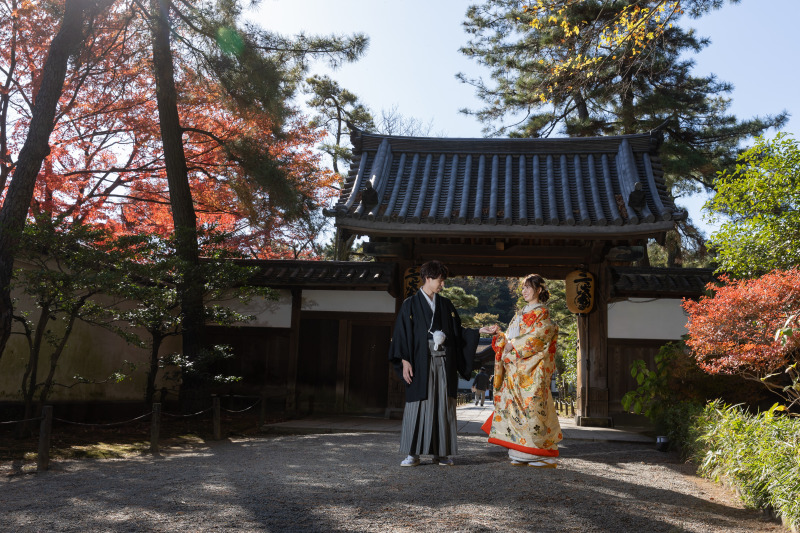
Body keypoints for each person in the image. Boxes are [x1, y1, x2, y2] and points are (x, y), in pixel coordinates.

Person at [388, 260, 494, 467]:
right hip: (419, 361)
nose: (442, 285)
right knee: (418, 405)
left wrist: (478, 331)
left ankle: (442, 453)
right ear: (428, 278)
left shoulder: (445, 305)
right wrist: (405, 360)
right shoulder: (410, 304)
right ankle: (413, 454)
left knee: (443, 405)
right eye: (440, 280)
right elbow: (401, 335)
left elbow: (457, 333)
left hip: (443, 362)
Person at [481, 274, 563, 468]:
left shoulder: (542, 313)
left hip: (532, 369)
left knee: (533, 408)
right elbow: (509, 338)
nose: (524, 291)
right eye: (523, 288)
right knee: (515, 410)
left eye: (528, 287)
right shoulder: (520, 313)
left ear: (539, 290)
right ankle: (521, 450)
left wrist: (514, 345)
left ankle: (543, 453)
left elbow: (541, 335)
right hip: (515, 370)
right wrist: (500, 336)